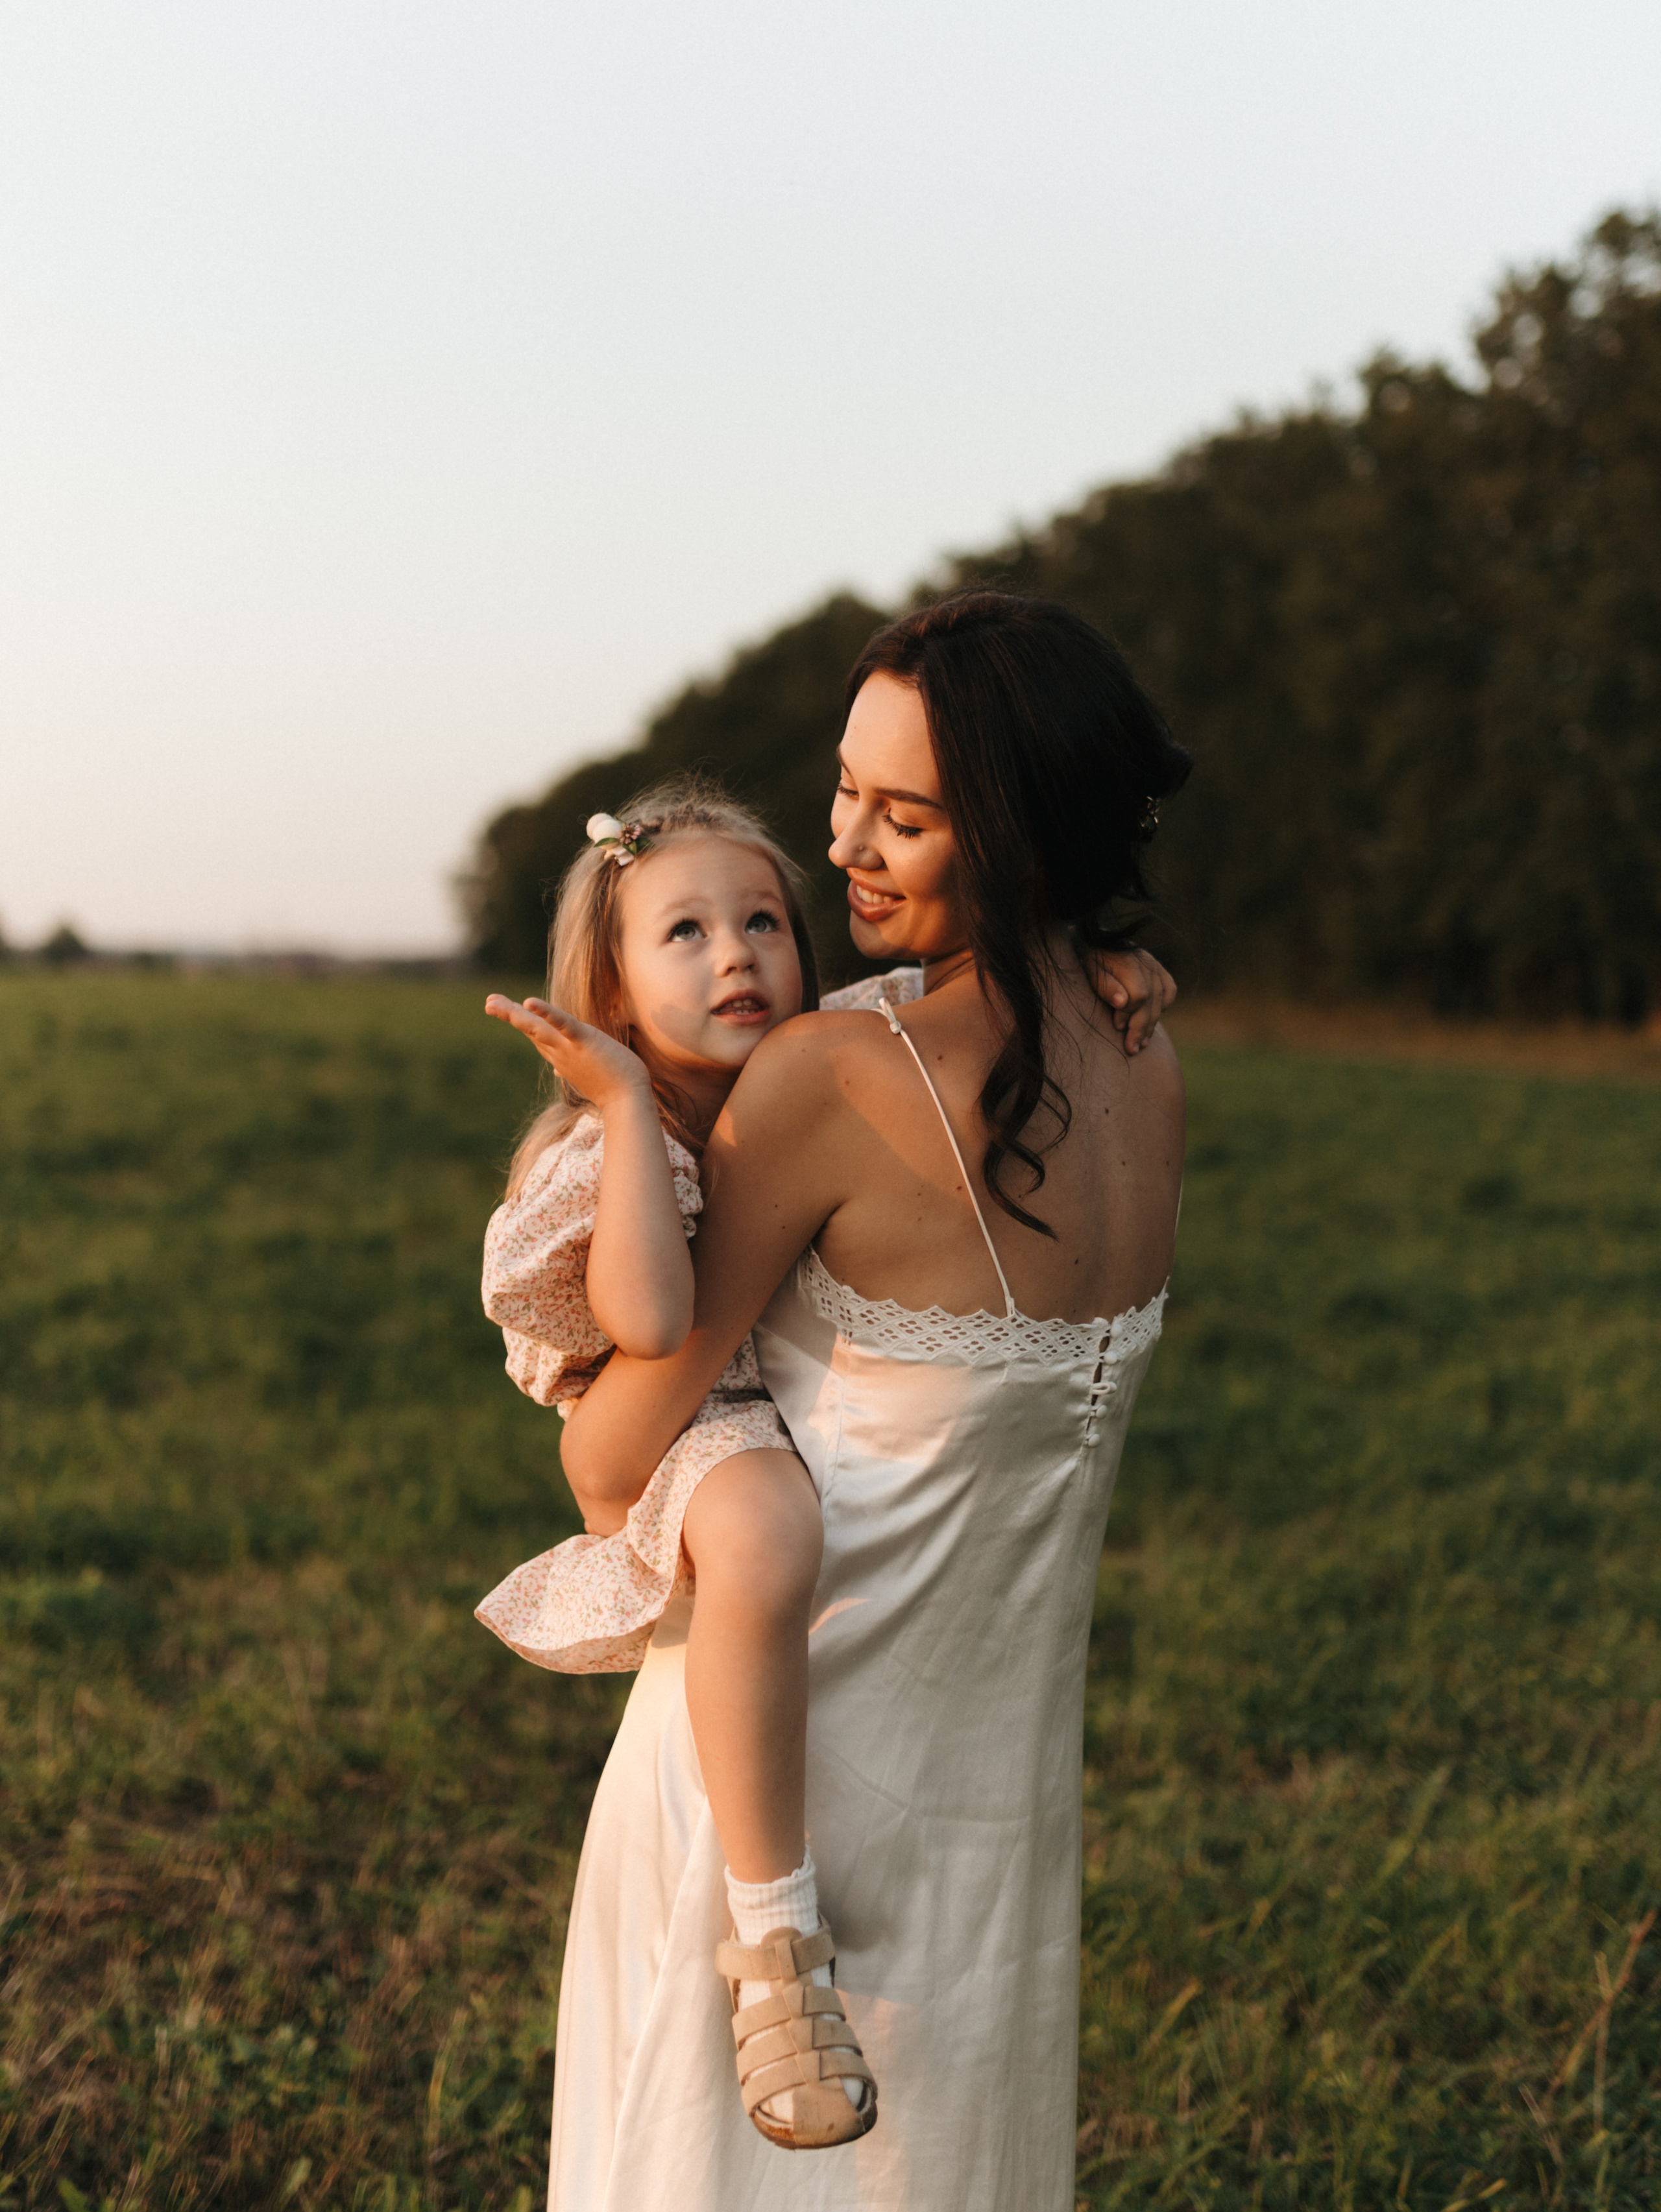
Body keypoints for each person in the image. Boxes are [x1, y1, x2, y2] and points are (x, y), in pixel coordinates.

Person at [549, 590, 1191, 2210]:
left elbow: (609, 1466)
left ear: (1023, 823)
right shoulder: (1146, 1046)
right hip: (973, 1825)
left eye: (901, 813)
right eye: (843, 789)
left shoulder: (828, 1078)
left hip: (777, 1839)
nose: (840, 843)